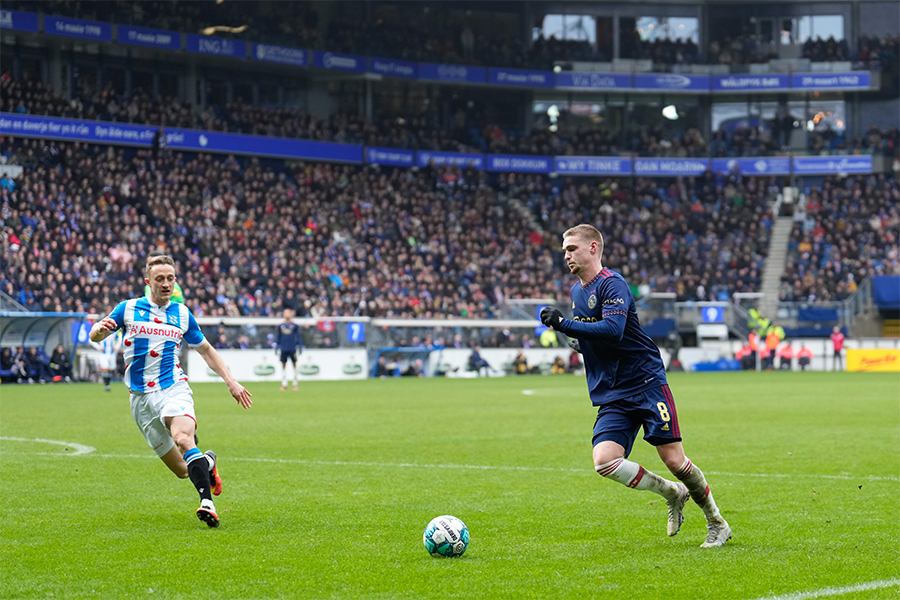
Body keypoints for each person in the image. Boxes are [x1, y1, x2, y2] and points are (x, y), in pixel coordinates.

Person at [540, 224, 731, 548]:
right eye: (564, 250)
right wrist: (581, 344)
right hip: (614, 393)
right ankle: (672, 492)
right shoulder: (576, 293)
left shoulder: (613, 284)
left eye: (572, 248)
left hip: (646, 382)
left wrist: (562, 325)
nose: (567, 255)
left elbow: (614, 329)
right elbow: (595, 336)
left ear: (593, 248)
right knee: (604, 461)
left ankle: (717, 522)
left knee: (674, 461)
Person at [89, 254, 252, 528]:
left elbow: (207, 351)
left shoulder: (182, 314)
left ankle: (207, 503)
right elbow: (96, 334)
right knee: (181, 470)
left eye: (170, 278)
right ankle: (208, 463)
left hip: (172, 386)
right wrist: (97, 330)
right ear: (148, 282)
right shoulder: (127, 309)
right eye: (160, 279)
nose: (166, 284)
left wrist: (231, 381)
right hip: (140, 400)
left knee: (183, 438)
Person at [276, 308, 303, 390]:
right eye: (285, 313)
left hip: (292, 347)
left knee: (294, 364)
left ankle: (295, 383)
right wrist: (277, 346)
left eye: (288, 313)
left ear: (291, 314)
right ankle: (284, 383)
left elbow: (298, 336)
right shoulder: (280, 326)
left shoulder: (295, 326)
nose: (287, 314)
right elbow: (278, 337)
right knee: (283, 364)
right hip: (284, 348)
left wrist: (299, 346)